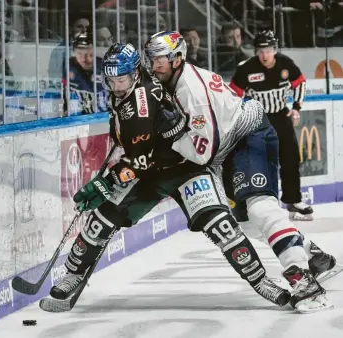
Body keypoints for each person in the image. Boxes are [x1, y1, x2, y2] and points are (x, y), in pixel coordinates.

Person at [49, 42, 291, 308]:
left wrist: (107, 182)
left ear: (135, 73)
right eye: (112, 80)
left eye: (122, 79)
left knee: (221, 225)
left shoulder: (142, 103)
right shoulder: (128, 92)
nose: (117, 86)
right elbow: (132, 151)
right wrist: (109, 179)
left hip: (185, 167)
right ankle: (72, 275)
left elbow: (139, 160)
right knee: (102, 219)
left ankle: (261, 281)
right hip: (152, 170)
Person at [144, 30, 333, 313]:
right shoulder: (173, 80)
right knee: (244, 223)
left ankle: (302, 278)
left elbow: (202, 152)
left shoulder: (190, 91)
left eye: (159, 60)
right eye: (152, 60)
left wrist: (172, 136)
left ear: (177, 59)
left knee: (260, 207)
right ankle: (315, 256)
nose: (154, 66)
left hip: (248, 135)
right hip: (228, 147)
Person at [228, 30, 312, 221]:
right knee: (259, 163)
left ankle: (293, 200)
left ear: (274, 49)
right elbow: (232, 94)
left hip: (282, 117)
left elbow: (300, 83)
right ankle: (257, 205)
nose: (265, 55)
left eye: (268, 50)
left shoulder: (286, 64)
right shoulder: (246, 68)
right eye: (260, 51)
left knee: (290, 159)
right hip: (257, 120)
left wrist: (297, 107)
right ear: (256, 51)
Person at [62, 30, 107, 115]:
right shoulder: (68, 68)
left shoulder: (104, 68)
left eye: (91, 55)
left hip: (104, 121)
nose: (88, 60)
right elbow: (63, 92)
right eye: (81, 55)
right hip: (79, 120)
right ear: (73, 54)